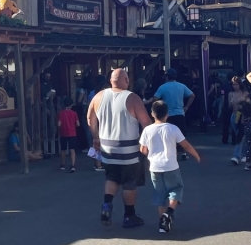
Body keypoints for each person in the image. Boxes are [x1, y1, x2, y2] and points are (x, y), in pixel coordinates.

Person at [89, 68, 152, 228]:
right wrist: (147, 143)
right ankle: (129, 215)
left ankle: (106, 205)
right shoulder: (132, 98)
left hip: (107, 149)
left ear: (111, 80)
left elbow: (90, 117)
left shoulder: (99, 96)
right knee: (129, 183)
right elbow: (146, 123)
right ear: (126, 80)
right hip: (129, 149)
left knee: (111, 178)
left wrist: (95, 136)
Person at [140, 100, 201, 234]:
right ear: (167, 114)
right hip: (171, 165)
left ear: (152, 114)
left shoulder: (147, 130)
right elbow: (185, 145)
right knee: (176, 190)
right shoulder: (173, 128)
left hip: (155, 167)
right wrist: (195, 155)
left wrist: (150, 154)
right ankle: (169, 212)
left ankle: (163, 223)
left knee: (159, 194)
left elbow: (143, 150)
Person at [151, 68, 195, 158]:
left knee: (168, 135)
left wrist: (160, 107)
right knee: (181, 134)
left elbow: (155, 98)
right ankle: (184, 153)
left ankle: (170, 153)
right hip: (180, 113)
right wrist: (186, 107)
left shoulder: (163, 87)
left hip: (168, 114)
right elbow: (192, 95)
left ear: (166, 77)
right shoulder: (181, 86)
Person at [57, 96, 80, 172]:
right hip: (72, 133)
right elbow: (78, 124)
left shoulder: (61, 113)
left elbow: (59, 124)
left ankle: (63, 164)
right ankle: (72, 165)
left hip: (63, 133)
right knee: (72, 149)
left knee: (63, 149)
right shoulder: (74, 113)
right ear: (71, 105)